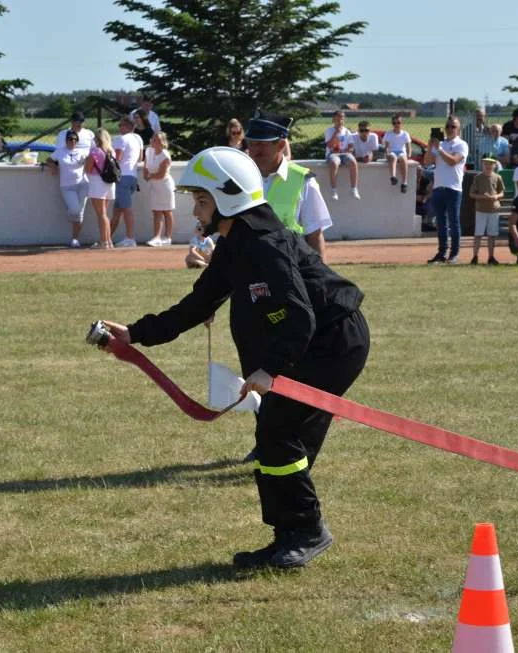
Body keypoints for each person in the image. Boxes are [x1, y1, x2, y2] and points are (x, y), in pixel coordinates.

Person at [99, 146, 370, 570]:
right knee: (279, 439)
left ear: (229, 198)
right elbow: (197, 303)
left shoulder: (264, 245)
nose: (195, 210)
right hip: (316, 342)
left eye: (201, 200)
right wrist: (136, 334)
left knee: (279, 432)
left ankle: (306, 531)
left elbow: (298, 317)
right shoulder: (234, 243)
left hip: (333, 343)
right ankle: (290, 536)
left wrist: (270, 369)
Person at [245, 111, 333, 262]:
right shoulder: (239, 177)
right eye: (251, 143)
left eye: (260, 144)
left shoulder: (303, 181)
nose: (253, 150)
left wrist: (320, 280)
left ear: (280, 145)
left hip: (290, 272)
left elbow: (314, 235)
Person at [425, 116, 469, 264]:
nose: (450, 129)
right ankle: (441, 252)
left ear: (458, 129)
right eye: (448, 126)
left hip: (453, 188)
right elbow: (427, 161)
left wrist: (439, 149)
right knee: (441, 223)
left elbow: (453, 161)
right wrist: (430, 146)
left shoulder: (461, 145)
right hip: (439, 187)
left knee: (454, 221)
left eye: (453, 127)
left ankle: (454, 253)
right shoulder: (440, 144)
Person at [42, 130, 89, 248]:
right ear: (66, 140)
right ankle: (71, 215)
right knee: (75, 210)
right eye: (70, 139)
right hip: (67, 186)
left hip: (83, 184)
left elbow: (90, 161)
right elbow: (48, 160)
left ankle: (75, 239)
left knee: (80, 213)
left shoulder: (82, 152)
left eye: (74, 139)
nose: (72, 142)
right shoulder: (60, 152)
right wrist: (54, 166)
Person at [109, 115, 144, 247]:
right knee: (117, 210)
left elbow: (117, 158)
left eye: (121, 125)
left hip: (122, 177)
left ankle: (130, 238)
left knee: (126, 209)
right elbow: (140, 158)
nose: (119, 127)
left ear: (128, 126)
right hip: (132, 177)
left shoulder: (121, 139)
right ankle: (107, 238)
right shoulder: (138, 139)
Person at [468, 155, 504, 265]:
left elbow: (502, 192)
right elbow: (471, 194)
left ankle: (491, 257)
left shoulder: (497, 177)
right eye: (486, 163)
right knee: (478, 234)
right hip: (481, 209)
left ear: (494, 165)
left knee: (492, 235)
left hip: (493, 209)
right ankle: (475, 256)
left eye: (491, 163)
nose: (488, 166)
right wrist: (483, 197)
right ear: (482, 164)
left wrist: (496, 197)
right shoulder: (478, 178)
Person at [84, 128, 116, 250]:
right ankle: (108, 241)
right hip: (109, 184)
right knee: (104, 214)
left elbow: (87, 169)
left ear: (97, 139)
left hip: (97, 183)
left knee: (101, 214)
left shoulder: (95, 151)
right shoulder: (111, 151)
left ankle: (104, 242)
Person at [143, 130, 175, 247]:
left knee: (167, 211)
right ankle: (157, 237)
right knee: (156, 211)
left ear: (162, 142)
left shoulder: (165, 155)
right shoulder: (148, 151)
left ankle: (167, 237)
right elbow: (146, 166)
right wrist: (146, 174)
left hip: (165, 186)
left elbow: (161, 174)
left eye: (156, 139)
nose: (153, 141)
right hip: (154, 186)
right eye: (153, 139)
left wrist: (149, 176)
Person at [323, 110, 359, 200]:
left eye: (342, 119)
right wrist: (336, 133)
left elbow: (351, 147)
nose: (340, 121)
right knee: (335, 163)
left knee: (353, 162)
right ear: (333, 120)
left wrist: (346, 150)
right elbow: (329, 145)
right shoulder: (329, 130)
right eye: (338, 119)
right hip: (332, 154)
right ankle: (334, 190)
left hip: (344, 153)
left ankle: (354, 189)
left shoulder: (347, 131)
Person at [383, 114, 412, 192]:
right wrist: (387, 154)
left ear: (401, 123)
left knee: (403, 158)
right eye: (394, 123)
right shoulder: (388, 133)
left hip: (402, 152)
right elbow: (386, 147)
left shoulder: (405, 134)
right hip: (392, 151)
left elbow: (408, 146)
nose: (396, 125)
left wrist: (409, 155)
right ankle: (393, 177)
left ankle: (404, 183)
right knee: (393, 157)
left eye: (398, 122)